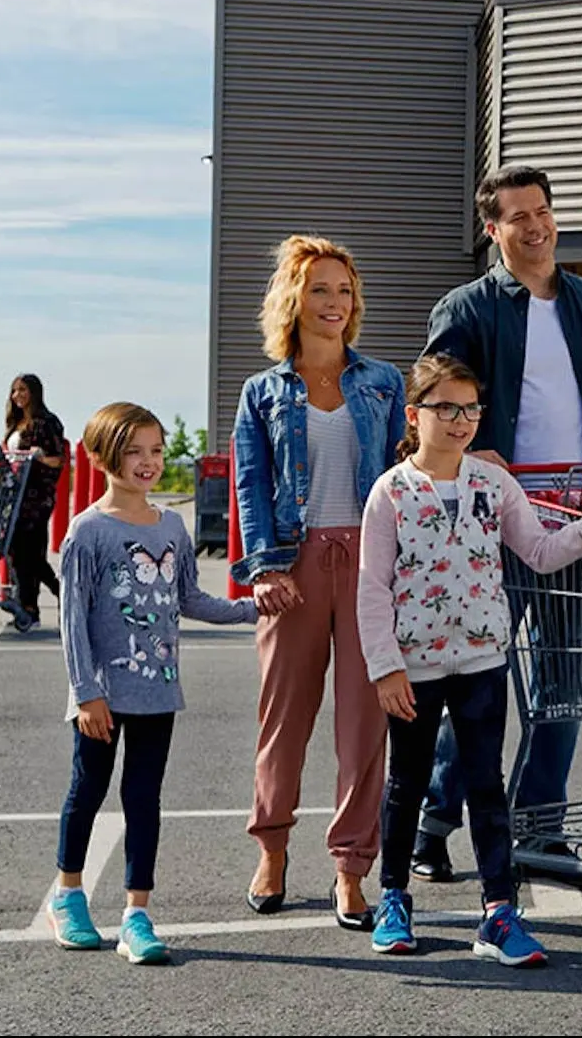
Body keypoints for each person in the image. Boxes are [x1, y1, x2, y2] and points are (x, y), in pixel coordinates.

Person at [412, 163, 582, 885]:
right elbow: (431, 395)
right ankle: (433, 821)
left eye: (543, 210)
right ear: (492, 230)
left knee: (564, 679)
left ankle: (540, 830)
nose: (535, 225)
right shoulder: (467, 309)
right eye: (517, 215)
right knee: (481, 683)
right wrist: (472, 445)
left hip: (575, 525)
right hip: (495, 525)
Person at [357, 355, 582, 963]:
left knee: (486, 785)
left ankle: (499, 912)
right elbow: (372, 587)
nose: (461, 421)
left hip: (484, 662)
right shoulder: (390, 493)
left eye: (470, 409)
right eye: (446, 409)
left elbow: (540, 551)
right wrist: (384, 666)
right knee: (405, 783)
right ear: (415, 415)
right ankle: (393, 897)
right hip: (413, 668)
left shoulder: (494, 485)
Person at [231, 236, 405, 930]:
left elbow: (404, 475)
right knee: (284, 719)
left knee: (365, 727)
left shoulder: (385, 382)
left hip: (370, 565)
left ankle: (351, 867)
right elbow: (250, 484)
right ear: (294, 300)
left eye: (345, 290)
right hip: (293, 565)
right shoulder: (262, 391)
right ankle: (271, 849)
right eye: (321, 290)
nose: (336, 303)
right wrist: (264, 569)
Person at [46, 402, 259, 963]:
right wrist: (86, 691)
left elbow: (189, 597)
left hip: (157, 691)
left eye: (157, 451)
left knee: (143, 799)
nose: (148, 462)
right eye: (133, 451)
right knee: (87, 791)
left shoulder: (171, 525)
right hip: (102, 694)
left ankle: (137, 914)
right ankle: (68, 896)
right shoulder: (87, 533)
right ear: (102, 457)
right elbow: (71, 622)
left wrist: (251, 610)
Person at [0, 374, 67, 631]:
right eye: (14, 390)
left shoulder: (47, 423)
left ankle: (45, 599)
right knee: (16, 551)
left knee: (30, 553)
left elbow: (57, 459)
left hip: (37, 497)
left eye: (23, 390)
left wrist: (36, 457)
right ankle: (28, 606)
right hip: (15, 497)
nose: (18, 395)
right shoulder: (15, 423)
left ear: (35, 392)